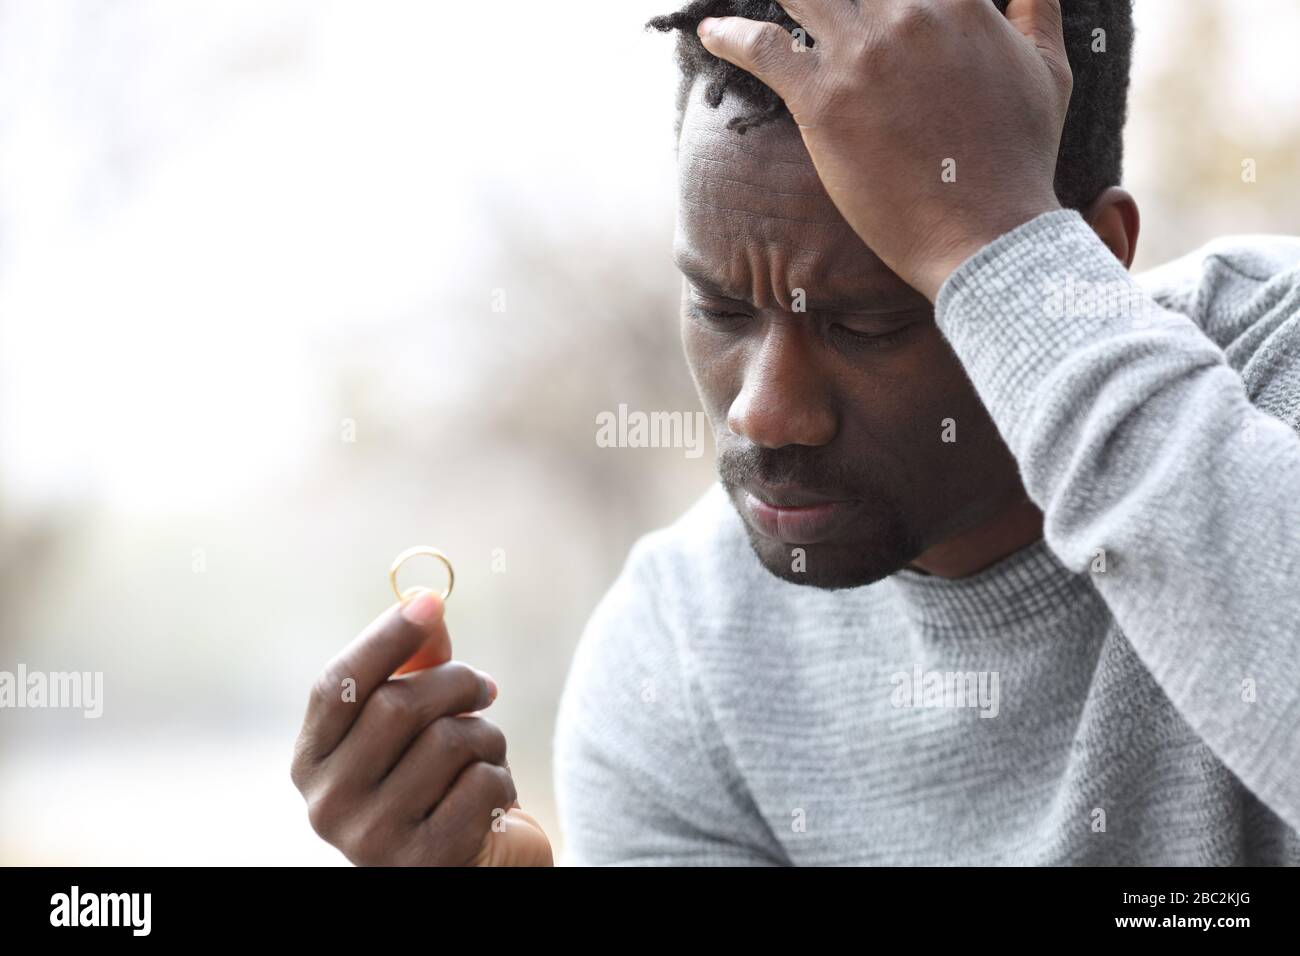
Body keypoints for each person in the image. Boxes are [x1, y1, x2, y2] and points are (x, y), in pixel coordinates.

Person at [293, 0, 1300, 866]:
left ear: (1089, 265)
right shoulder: (684, 659)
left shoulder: (1276, 374)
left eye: (867, 320)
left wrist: (1005, 257)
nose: (764, 411)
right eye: (722, 309)